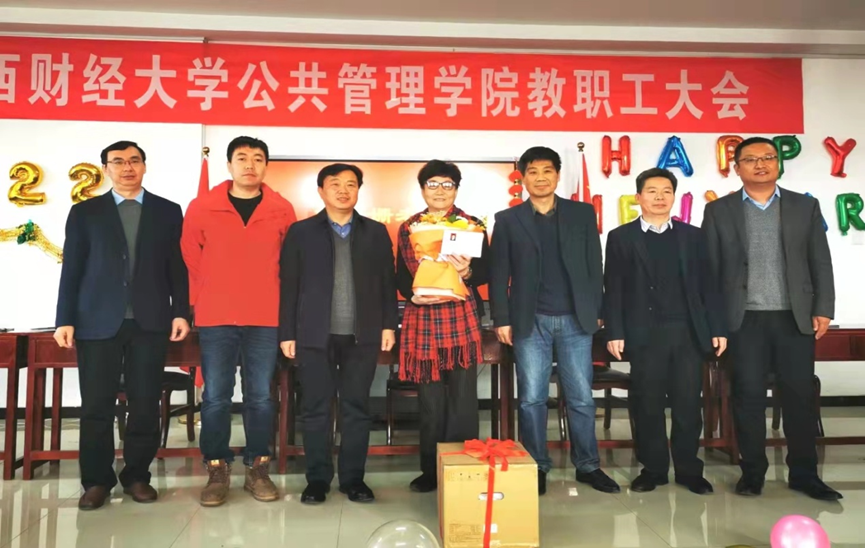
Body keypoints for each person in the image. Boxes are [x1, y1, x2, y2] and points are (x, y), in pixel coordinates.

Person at [702, 136, 841, 501]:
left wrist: (823, 307)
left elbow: (819, 259)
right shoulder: (719, 211)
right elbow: (710, 270)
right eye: (751, 159)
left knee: (798, 397)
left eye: (768, 157)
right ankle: (752, 473)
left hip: (794, 317)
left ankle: (805, 474)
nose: (761, 164)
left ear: (778, 164)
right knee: (747, 396)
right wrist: (715, 322)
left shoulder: (804, 206)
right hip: (743, 320)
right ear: (737, 168)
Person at [54, 140, 190, 510]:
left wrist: (181, 311)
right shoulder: (85, 212)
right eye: (118, 161)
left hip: (150, 321)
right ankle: (97, 481)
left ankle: (137, 476)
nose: (127, 167)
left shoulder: (167, 211)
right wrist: (65, 318)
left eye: (134, 160)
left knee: (145, 402)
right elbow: (72, 268)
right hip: (96, 321)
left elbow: (177, 267)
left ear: (144, 166)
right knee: (96, 405)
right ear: (106, 169)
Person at [490, 146, 617, 495]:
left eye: (547, 170)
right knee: (531, 398)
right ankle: (536, 465)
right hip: (530, 321)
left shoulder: (581, 213)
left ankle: (588, 465)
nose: (541, 178)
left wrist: (598, 309)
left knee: (581, 398)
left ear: (558, 176)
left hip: (576, 320)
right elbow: (499, 273)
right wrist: (501, 318)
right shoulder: (508, 219)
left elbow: (594, 264)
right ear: (523, 178)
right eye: (532, 171)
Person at [181, 136, 297, 507]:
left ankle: (257, 468)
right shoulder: (203, 206)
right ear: (229, 165)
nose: (250, 165)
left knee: (260, 396)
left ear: (266, 166)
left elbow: (290, 263)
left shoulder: (281, 209)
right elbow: (190, 256)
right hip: (217, 316)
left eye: (258, 158)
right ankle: (217, 469)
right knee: (216, 395)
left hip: (265, 316)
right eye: (242, 158)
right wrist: (212, 289)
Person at [279, 163, 397, 504]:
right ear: (321, 191)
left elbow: (387, 283)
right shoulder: (301, 232)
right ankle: (317, 480)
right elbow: (289, 285)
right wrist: (287, 332)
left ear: (359, 190)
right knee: (315, 408)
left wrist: (388, 324)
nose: (343, 190)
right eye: (335, 184)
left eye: (350, 184)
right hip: (313, 335)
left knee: (356, 407)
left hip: (363, 335)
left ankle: (353, 479)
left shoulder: (375, 232)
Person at [604, 167, 726, 495]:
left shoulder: (693, 236)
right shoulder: (621, 237)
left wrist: (717, 327)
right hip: (644, 334)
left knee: (688, 404)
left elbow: (709, 285)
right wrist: (614, 330)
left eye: (666, 191)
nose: (660, 197)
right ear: (638, 197)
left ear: (674, 197)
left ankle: (689, 470)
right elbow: (612, 287)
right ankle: (653, 469)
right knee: (648, 404)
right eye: (652, 191)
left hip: (687, 333)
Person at [396, 160, 490, 493]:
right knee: (430, 399)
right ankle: (431, 470)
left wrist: (467, 273)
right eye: (432, 184)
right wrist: (413, 295)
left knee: (463, 397)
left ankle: (462, 468)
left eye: (447, 184)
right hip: (422, 320)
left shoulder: (472, 225)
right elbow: (400, 275)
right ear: (423, 189)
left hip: (460, 319)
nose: (440, 190)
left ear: (456, 189)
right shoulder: (409, 227)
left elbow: (487, 271)